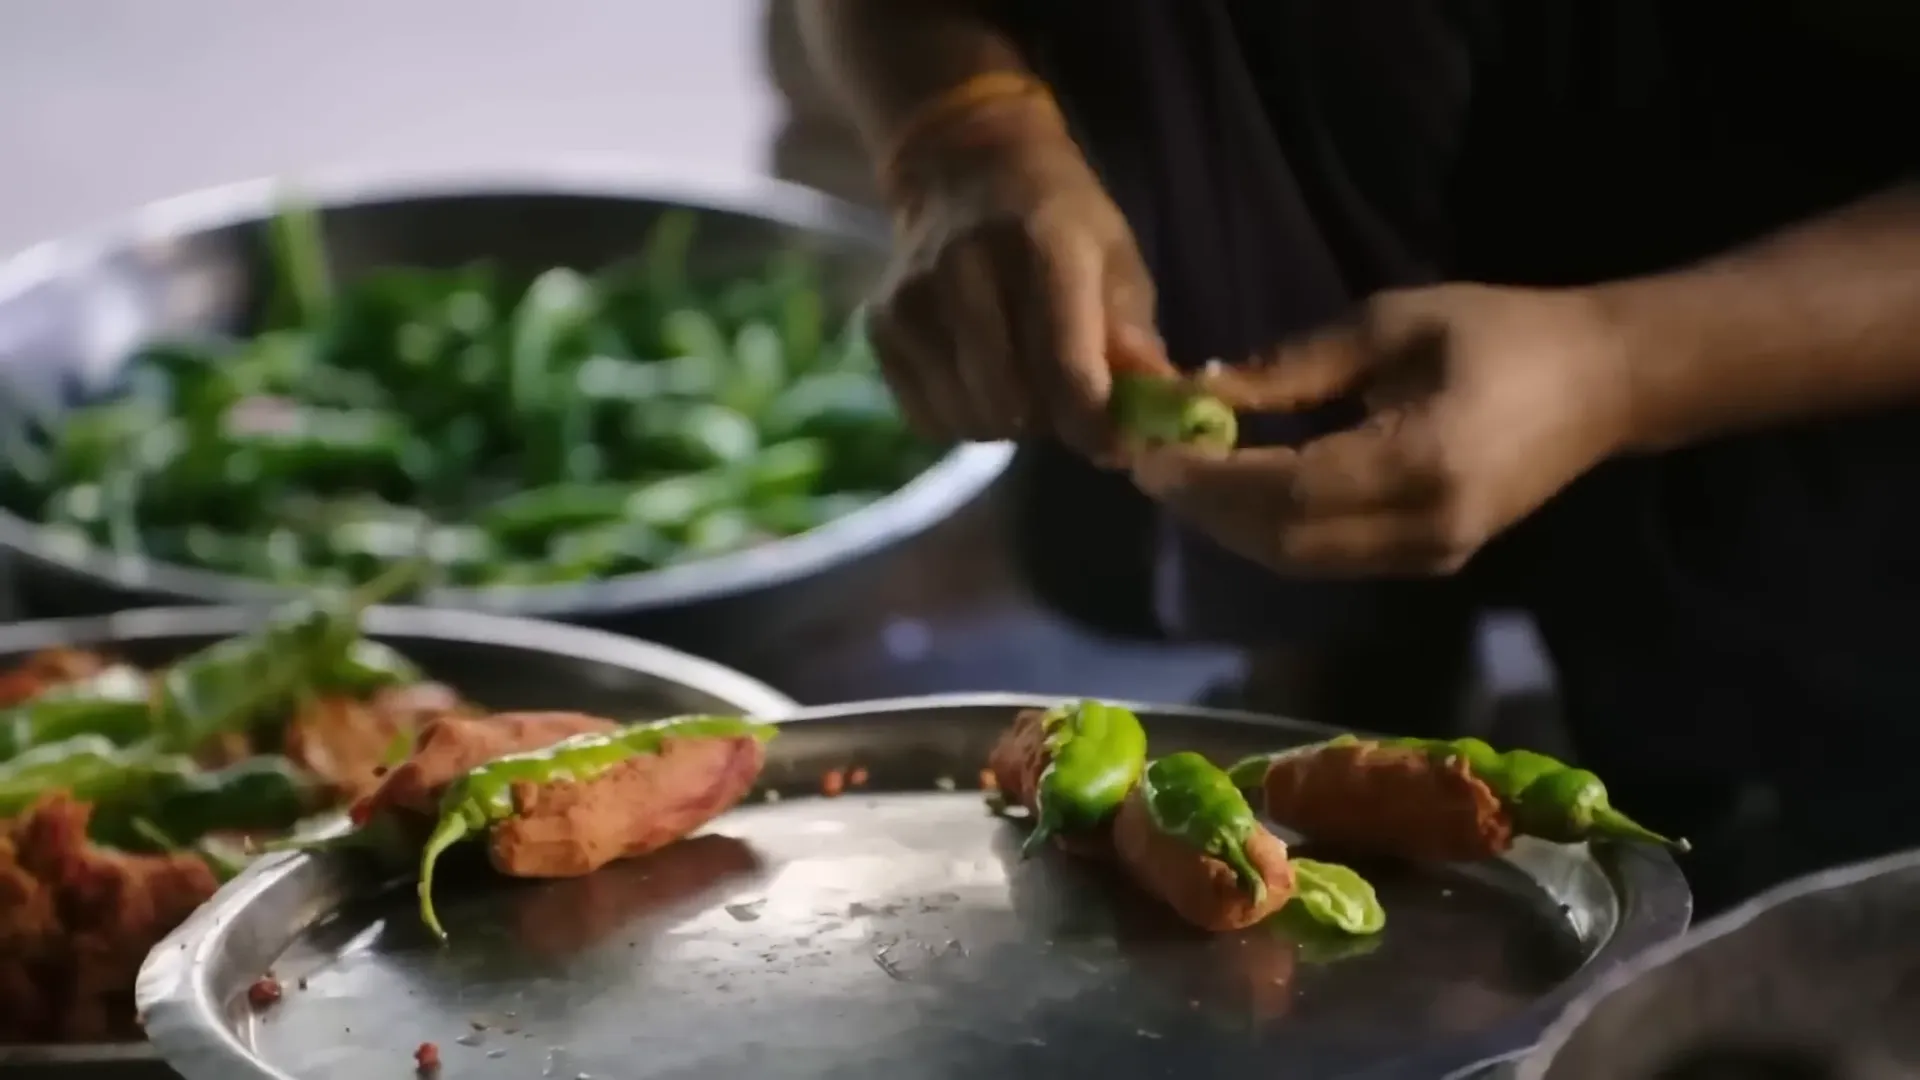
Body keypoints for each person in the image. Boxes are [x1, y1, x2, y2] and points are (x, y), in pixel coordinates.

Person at [797, 0, 1920, 915]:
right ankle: (1340, 702)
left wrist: (1624, 365)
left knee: (1792, 837)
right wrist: (965, 130)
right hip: (1434, 120)